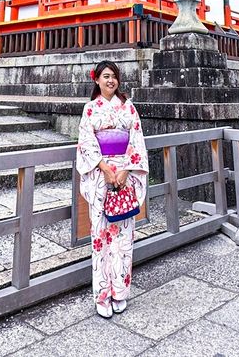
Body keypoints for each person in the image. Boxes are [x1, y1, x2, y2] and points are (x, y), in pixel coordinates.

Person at [76, 60, 148, 319]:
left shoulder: (128, 107)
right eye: (106, 76)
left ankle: (120, 291)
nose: (110, 81)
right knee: (101, 237)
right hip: (101, 175)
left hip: (125, 177)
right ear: (96, 80)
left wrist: (126, 169)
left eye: (114, 77)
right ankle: (102, 295)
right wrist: (105, 168)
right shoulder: (90, 109)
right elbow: (85, 141)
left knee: (124, 239)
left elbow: (137, 141)